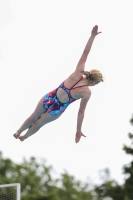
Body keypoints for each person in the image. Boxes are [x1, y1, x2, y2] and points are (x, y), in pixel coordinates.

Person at [13, 25, 104, 143]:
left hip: (51, 96)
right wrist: (78, 130)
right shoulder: (87, 92)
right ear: (93, 82)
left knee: (33, 116)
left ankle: (18, 131)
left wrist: (92, 37)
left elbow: (85, 53)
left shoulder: (78, 71)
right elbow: (81, 112)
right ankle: (24, 137)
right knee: (39, 124)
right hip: (58, 108)